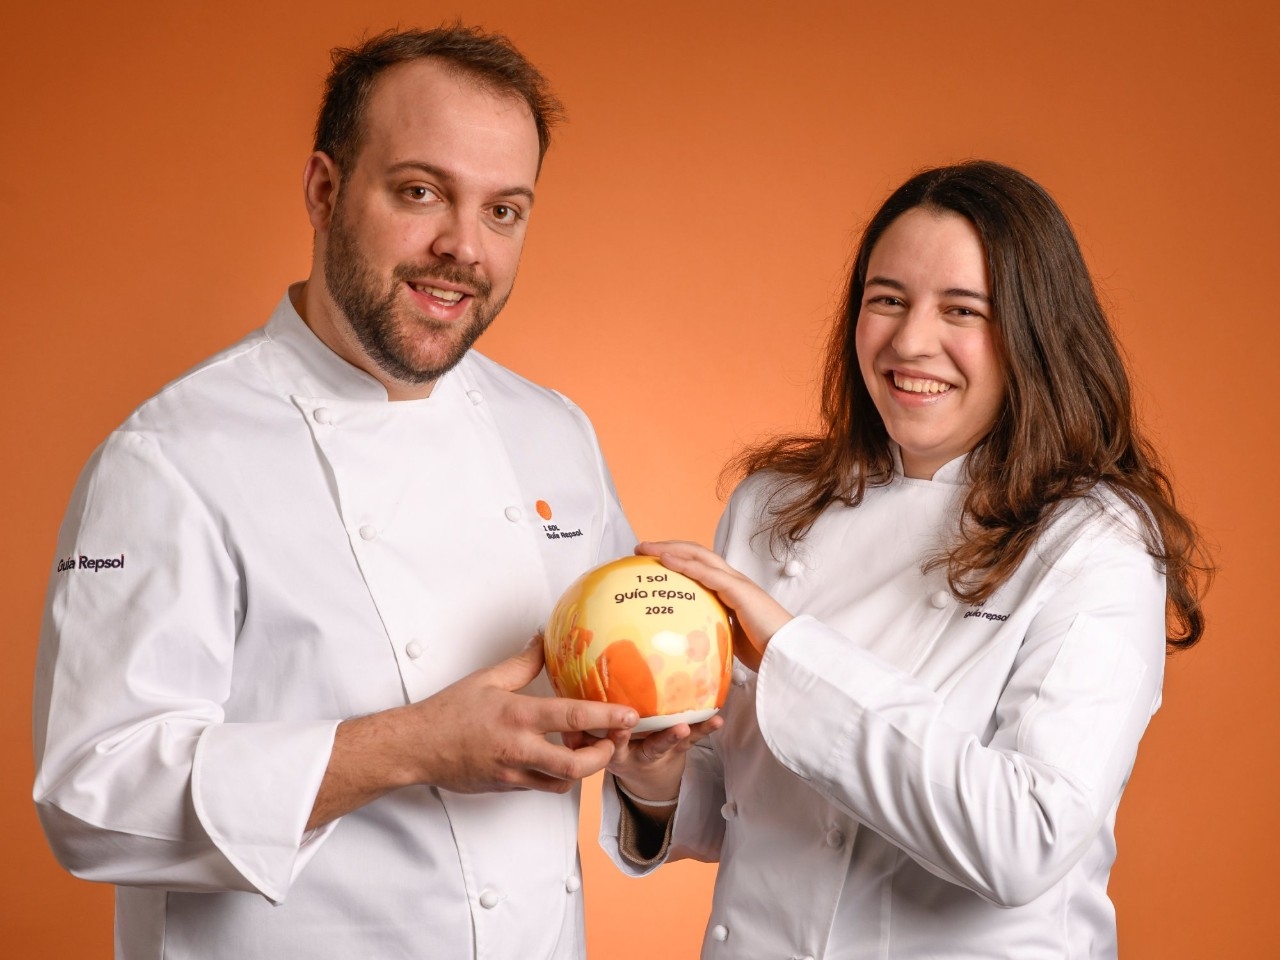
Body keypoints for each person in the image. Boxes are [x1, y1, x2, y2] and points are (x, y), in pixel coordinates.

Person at [33, 25, 642, 960]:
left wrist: (660, 751)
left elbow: (618, 691)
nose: (463, 249)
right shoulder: (171, 456)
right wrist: (413, 747)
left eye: (504, 211)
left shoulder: (553, 430)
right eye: (421, 192)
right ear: (324, 191)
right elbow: (92, 797)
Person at [596, 161, 1212, 958]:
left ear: (1035, 333)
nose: (911, 341)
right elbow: (749, 804)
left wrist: (790, 650)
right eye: (887, 299)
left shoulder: (1094, 539)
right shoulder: (773, 505)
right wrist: (654, 775)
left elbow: (1026, 840)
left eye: (963, 310)